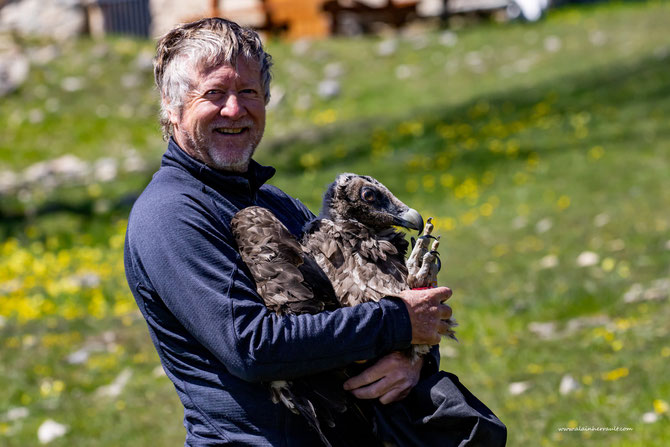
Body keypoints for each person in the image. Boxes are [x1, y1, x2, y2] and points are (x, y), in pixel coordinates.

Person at [125, 17, 503, 446]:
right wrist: (398, 322)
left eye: (248, 92)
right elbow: (253, 347)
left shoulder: (275, 203)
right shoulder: (170, 215)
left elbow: (372, 313)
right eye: (214, 93)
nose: (234, 109)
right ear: (172, 108)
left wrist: (410, 358)